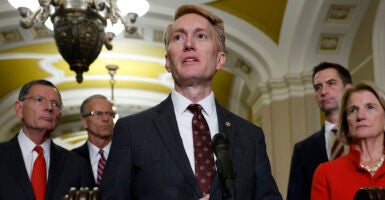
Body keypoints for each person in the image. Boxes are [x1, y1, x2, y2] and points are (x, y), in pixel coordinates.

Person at [100, 4, 282, 200]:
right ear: (168, 61)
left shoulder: (250, 136)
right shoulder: (132, 131)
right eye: (178, 37)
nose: (188, 44)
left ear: (220, 60)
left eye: (201, 36)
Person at [0, 79, 92, 200]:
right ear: (19, 109)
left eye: (55, 104)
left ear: (59, 115)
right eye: (39, 100)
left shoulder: (77, 165)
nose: (49, 107)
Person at [287, 62, 352, 200]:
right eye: (318, 87)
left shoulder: (369, 136)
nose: (323, 91)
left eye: (331, 83)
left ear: (348, 89)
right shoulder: (303, 149)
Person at [311, 81, 385, 199]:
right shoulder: (326, 173)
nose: (361, 116)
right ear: (346, 123)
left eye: (370, 107)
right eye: (353, 110)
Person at [72, 94, 115, 187]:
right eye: (98, 114)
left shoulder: (128, 155)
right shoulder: (72, 158)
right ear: (84, 122)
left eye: (110, 114)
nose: (106, 119)